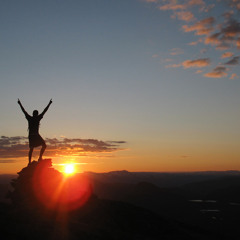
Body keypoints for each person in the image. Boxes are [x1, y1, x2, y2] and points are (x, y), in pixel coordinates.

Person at [18, 99, 52, 164]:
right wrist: (49, 103)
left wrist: (19, 104)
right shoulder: (37, 118)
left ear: (33, 114)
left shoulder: (30, 118)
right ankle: (39, 158)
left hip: (32, 135)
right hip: (35, 135)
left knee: (32, 149)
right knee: (43, 145)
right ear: (36, 114)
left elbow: (23, 111)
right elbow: (45, 111)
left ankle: (31, 161)